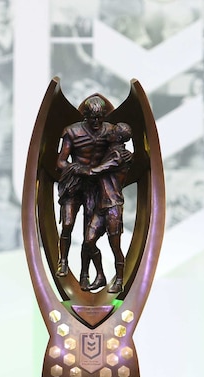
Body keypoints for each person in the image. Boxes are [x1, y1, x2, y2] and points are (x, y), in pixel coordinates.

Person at [55, 95, 113, 289]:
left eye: (100, 118)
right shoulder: (72, 132)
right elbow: (61, 161)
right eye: (92, 118)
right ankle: (63, 260)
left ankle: (85, 274)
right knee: (68, 223)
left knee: (89, 232)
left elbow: (118, 151)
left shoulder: (109, 131)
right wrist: (78, 169)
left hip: (95, 186)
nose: (96, 122)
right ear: (85, 116)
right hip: (74, 183)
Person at [80, 122, 133, 293]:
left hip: (113, 207)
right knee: (89, 242)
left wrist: (79, 169)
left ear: (117, 137)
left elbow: (95, 171)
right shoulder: (112, 152)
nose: (109, 131)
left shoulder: (118, 156)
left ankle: (119, 280)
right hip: (101, 205)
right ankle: (101, 275)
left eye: (113, 131)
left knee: (115, 246)